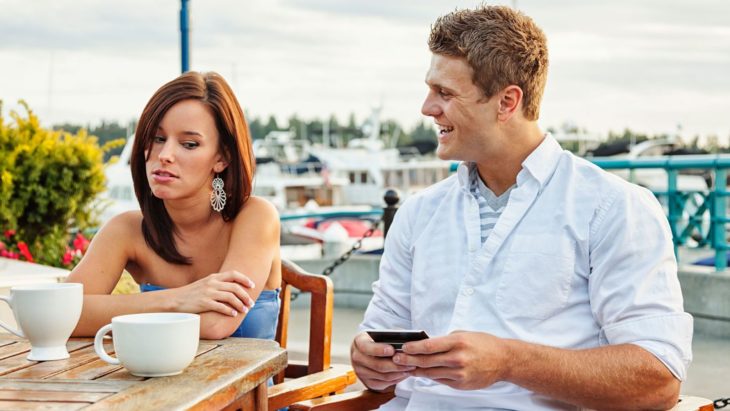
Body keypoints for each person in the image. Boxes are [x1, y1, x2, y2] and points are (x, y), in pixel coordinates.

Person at [351, 5, 692, 410]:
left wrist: (509, 363)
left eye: (445, 92)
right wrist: (368, 360)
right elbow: (376, 339)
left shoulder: (614, 207)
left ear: (507, 102)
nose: (427, 107)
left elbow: (658, 381)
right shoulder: (418, 212)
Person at [68, 71, 281, 340]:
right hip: (151, 380)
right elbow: (61, 314)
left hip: (244, 383)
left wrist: (113, 312)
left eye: (189, 144)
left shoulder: (255, 217)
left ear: (222, 158)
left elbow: (216, 325)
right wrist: (178, 299)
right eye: (158, 139)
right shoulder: (128, 230)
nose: (165, 155)